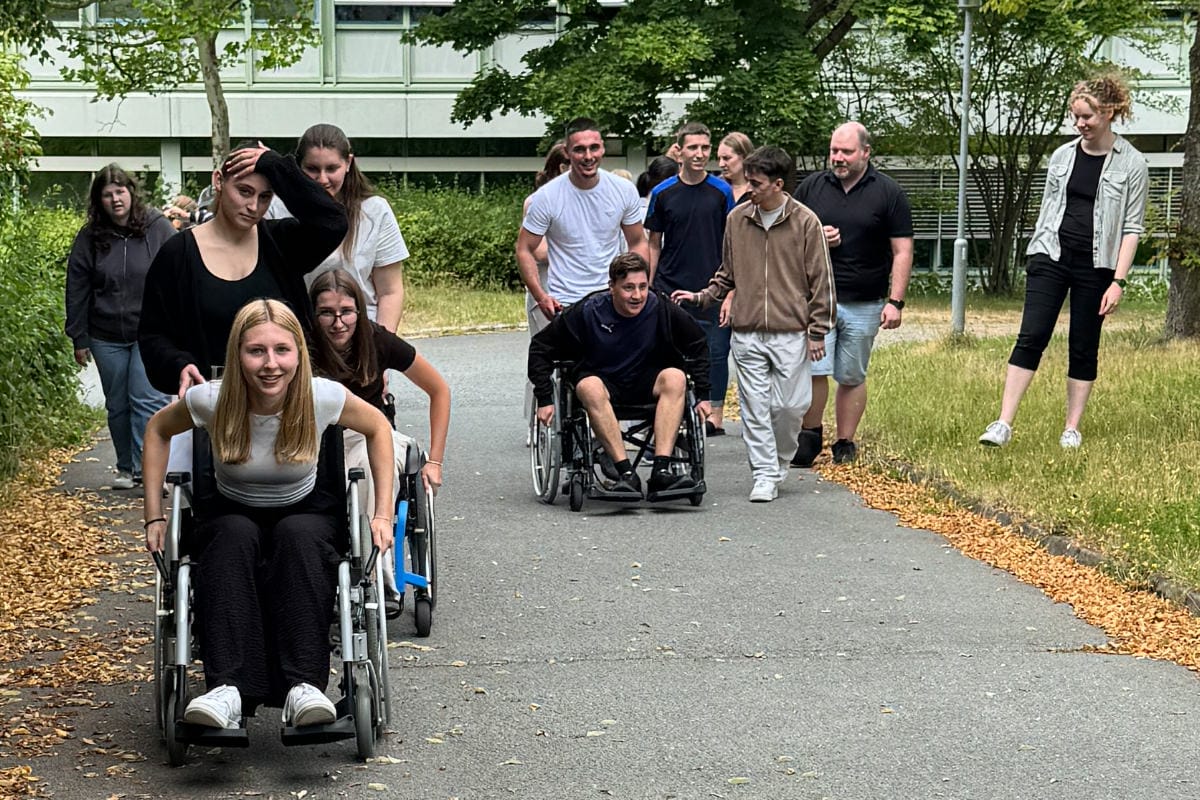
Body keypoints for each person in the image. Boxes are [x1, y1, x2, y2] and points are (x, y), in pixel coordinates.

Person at [141, 299, 395, 730]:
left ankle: (304, 687)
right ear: (237, 354)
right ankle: (227, 689)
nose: (270, 364)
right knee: (232, 537)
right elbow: (157, 430)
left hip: (306, 508)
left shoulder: (321, 396)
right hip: (229, 509)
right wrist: (154, 516)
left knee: (298, 537)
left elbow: (378, 428)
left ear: (299, 353)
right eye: (256, 351)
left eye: (282, 350)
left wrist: (382, 514)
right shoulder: (211, 400)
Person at [979, 74, 1148, 449]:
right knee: (1032, 335)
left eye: (1087, 116)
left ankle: (1071, 428)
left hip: (1097, 265)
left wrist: (1117, 282)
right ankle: (1003, 423)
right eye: (1076, 117)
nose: (1080, 124)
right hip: (1051, 256)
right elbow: (1049, 210)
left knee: (1083, 344)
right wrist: (1036, 252)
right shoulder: (1062, 156)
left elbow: (1132, 228)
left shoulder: (1133, 164)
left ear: (1109, 112)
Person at [672, 146, 835, 503]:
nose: (749, 189)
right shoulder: (737, 219)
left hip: (791, 330)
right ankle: (763, 473)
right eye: (748, 181)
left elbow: (821, 281)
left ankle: (779, 461)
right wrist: (702, 297)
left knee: (790, 407)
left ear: (778, 184)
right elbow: (727, 274)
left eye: (757, 183)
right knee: (755, 407)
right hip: (746, 330)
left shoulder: (805, 222)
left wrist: (818, 330)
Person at [139, 142, 348, 398]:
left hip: (286, 400)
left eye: (265, 197)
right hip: (212, 400)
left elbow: (333, 222)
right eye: (244, 191)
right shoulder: (178, 255)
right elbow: (153, 334)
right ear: (218, 181)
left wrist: (278, 166)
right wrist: (178, 365)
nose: (253, 206)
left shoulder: (281, 244)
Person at [308, 269, 450, 613]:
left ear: (359, 311)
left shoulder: (377, 340)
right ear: (313, 315)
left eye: (346, 312)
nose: (338, 322)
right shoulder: (302, 344)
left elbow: (439, 390)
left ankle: (374, 579)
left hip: (372, 434)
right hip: (318, 438)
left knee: (367, 472)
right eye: (327, 313)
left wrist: (435, 461)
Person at [529, 253, 711, 500]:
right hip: (603, 382)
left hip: (648, 381)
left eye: (642, 287)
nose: (637, 295)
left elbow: (698, 343)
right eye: (628, 288)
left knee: (676, 377)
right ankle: (626, 473)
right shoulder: (589, 310)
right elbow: (541, 348)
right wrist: (545, 398)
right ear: (612, 287)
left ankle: (661, 470)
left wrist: (703, 394)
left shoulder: (660, 307)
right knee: (589, 386)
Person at [790, 122, 914, 467]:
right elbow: (787, 235)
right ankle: (810, 435)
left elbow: (903, 250)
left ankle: (845, 441)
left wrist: (895, 302)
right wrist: (816, 237)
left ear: (866, 153)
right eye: (834, 151)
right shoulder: (812, 187)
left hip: (866, 301)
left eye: (846, 152)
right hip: (817, 299)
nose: (838, 158)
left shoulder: (888, 192)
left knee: (851, 374)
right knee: (814, 369)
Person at [65, 165, 176, 489]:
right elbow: (77, 286)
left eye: (120, 191)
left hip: (150, 332)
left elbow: (179, 270)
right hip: (105, 334)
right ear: (99, 200)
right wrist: (79, 336)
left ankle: (149, 470)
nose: (115, 199)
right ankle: (126, 468)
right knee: (118, 405)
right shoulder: (90, 236)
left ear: (131, 192)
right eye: (107, 194)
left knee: (147, 399)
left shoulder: (157, 227)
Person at [645, 122, 735, 437]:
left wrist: (731, 289)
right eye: (693, 147)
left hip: (713, 286)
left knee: (716, 352)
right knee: (669, 354)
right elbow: (653, 243)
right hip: (669, 286)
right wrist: (648, 286)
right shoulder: (662, 192)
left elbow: (733, 242)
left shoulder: (722, 191)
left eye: (705, 148)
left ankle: (715, 414)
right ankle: (671, 412)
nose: (699, 154)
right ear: (679, 150)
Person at [516, 117, 650, 322]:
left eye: (594, 148)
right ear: (567, 152)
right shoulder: (547, 197)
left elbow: (638, 241)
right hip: (566, 303)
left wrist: (637, 288)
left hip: (611, 300)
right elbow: (524, 248)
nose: (588, 156)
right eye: (579, 150)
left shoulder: (623, 190)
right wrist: (541, 297)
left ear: (603, 148)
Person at [292, 123, 409, 332]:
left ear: (348, 163)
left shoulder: (375, 211)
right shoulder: (277, 208)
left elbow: (390, 292)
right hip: (300, 335)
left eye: (331, 168)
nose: (322, 179)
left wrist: (380, 345)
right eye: (312, 169)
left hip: (362, 335)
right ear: (298, 166)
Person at [521, 141, 570, 431]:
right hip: (545, 285)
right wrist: (575, 249)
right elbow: (537, 251)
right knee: (543, 352)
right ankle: (536, 422)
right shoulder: (537, 201)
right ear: (561, 168)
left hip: (574, 285)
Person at [717, 132, 754, 205]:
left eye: (726, 158)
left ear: (744, 157)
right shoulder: (715, 187)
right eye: (719, 159)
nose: (721, 164)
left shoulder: (760, 189)